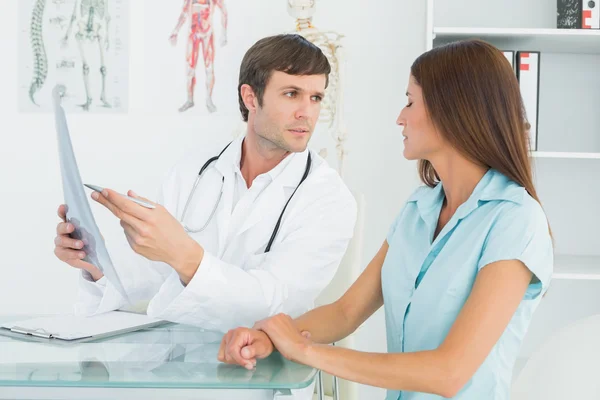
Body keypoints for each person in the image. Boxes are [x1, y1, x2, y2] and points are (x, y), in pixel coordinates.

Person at [218, 39, 554, 400]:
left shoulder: (515, 220)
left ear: (454, 110)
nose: (400, 117)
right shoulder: (419, 209)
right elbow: (346, 312)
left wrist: (306, 352)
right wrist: (267, 338)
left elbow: (449, 373)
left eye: (411, 101)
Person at [53, 34, 357, 340]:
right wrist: (94, 265)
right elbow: (157, 275)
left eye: (316, 97)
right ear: (251, 97)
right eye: (292, 94)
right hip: (175, 362)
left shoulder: (328, 198)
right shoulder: (194, 171)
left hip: (265, 374)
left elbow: (276, 304)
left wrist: (184, 254)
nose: (307, 111)